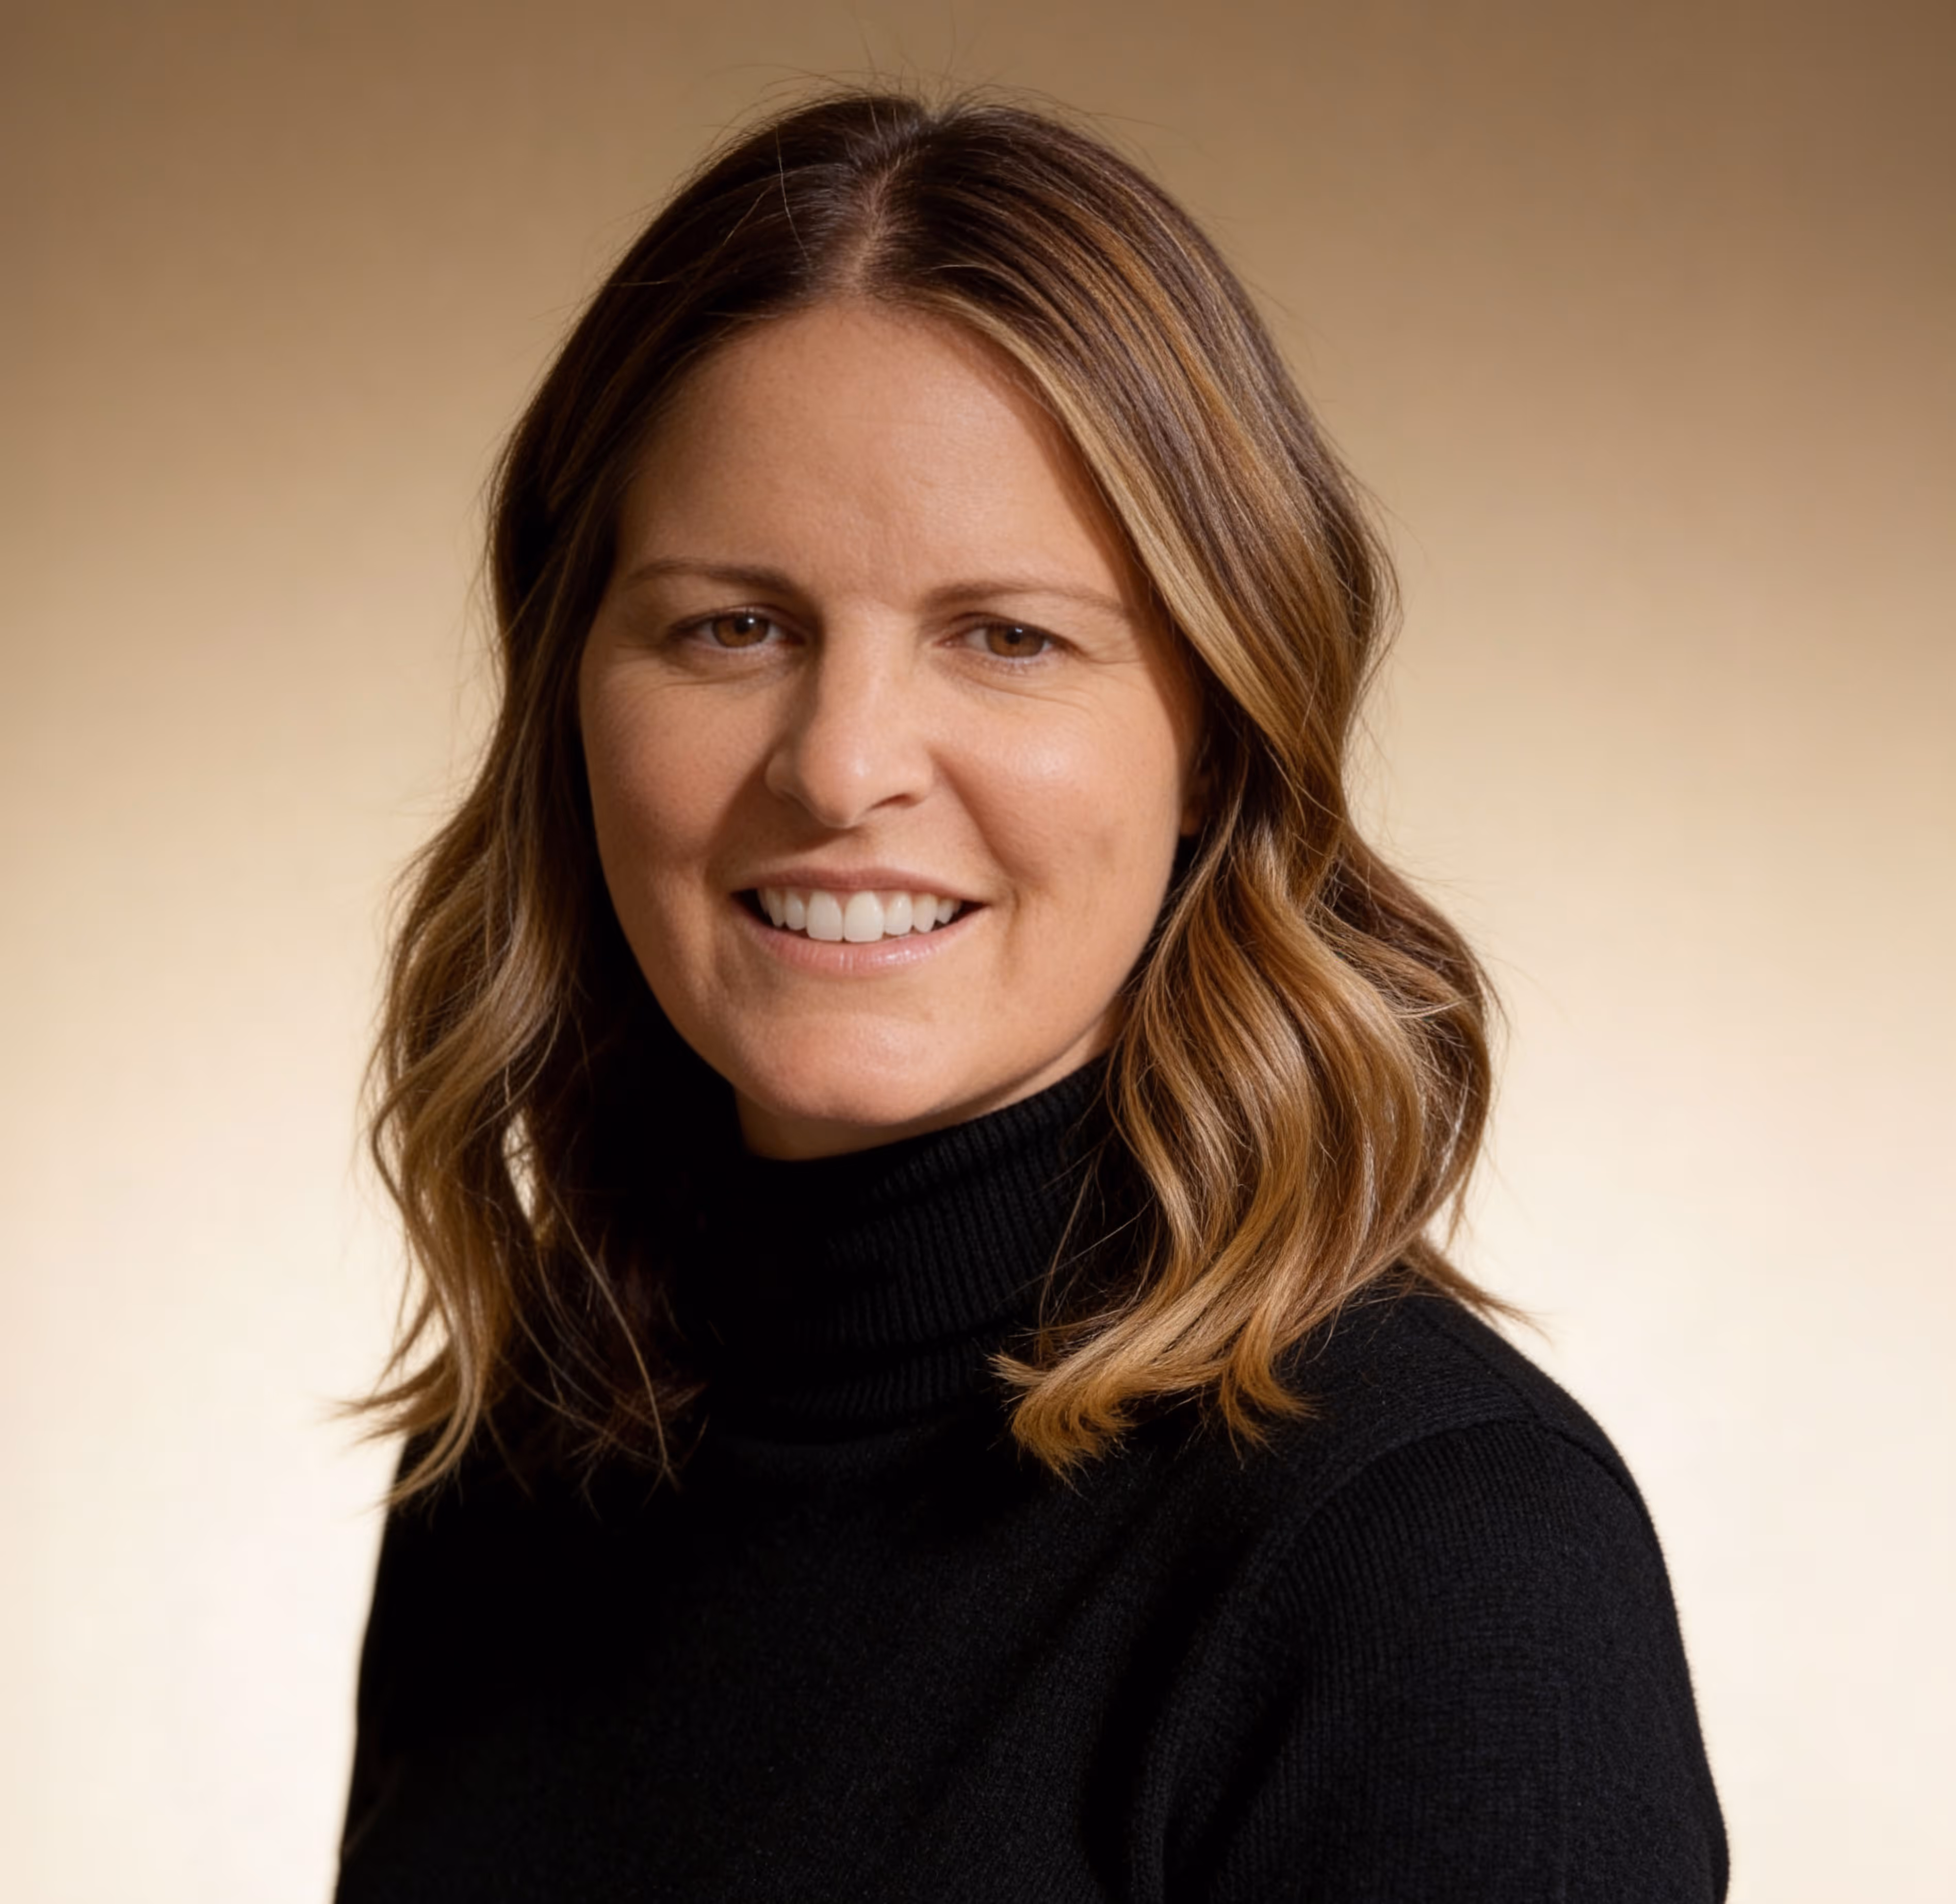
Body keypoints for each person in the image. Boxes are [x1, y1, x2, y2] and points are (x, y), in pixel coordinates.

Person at [336, 88, 1728, 1901]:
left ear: (1218, 744)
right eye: (730, 625)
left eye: (1009, 636)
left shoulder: (1432, 1553)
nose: (840, 767)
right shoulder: (511, 1487)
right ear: (570, 699)